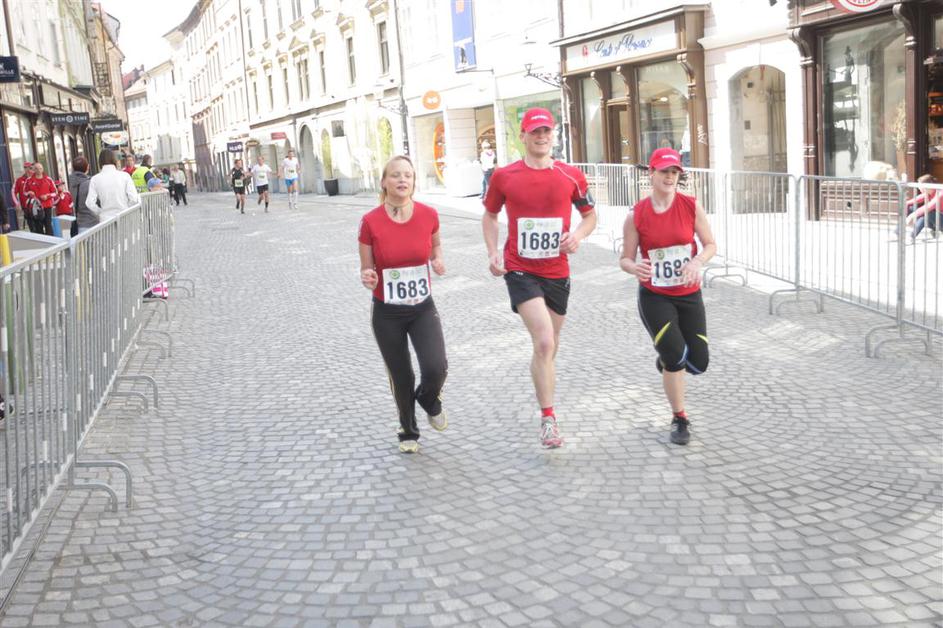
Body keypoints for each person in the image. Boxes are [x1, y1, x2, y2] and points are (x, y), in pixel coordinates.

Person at [481, 108, 597, 449]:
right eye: (535, 132)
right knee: (545, 341)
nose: (542, 137)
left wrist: (577, 236)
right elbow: (490, 215)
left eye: (546, 131)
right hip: (520, 268)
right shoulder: (504, 176)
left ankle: (542, 376)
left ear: (553, 134)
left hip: (557, 270)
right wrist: (492, 251)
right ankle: (548, 418)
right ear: (523, 137)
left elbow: (590, 216)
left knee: (549, 346)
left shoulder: (571, 175)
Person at [619, 147, 717, 446]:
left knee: (698, 363)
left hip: (689, 293)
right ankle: (680, 417)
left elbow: (710, 244)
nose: (670, 177)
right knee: (676, 358)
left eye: (675, 172)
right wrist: (635, 267)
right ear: (652, 173)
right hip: (655, 296)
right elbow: (625, 259)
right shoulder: (637, 214)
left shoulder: (691, 206)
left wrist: (697, 262)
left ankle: (665, 359)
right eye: (664, 171)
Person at [359, 155, 448, 454]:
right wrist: (368, 276)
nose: (402, 180)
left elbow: (435, 245)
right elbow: (366, 268)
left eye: (408, 175)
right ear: (384, 182)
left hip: (422, 307)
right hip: (387, 311)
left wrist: (437, 260)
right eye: (396, 175)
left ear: (413, 181)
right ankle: (408, 429)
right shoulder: (370, 221)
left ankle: (428, 397)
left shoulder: (429, 214)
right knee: (401, 375)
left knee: (436, 366)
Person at [86, 149, 140, 219]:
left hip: (106, 220)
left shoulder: (95, 179)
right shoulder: (125, 176)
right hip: (124, 218)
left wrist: (101, 212)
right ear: (114, 160)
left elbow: (89, 203)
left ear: (100, 161)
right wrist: (126, 209)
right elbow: (134, 199)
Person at [905, 174, 941, 242]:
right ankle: (897, 232)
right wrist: (906, 215)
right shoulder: (928, 193)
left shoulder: (940, 193)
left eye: (920, 186)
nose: (918, 188)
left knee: (927, 214)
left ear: (928, 185)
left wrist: (912, 216)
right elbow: (909, 202)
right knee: (912, 208)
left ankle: (911, 236)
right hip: (937, 219)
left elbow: (929, 206)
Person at [24, 162, 56, 235]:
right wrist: (29, 193)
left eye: (40, 168)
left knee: (48, 225)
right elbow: (24, 192)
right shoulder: (29, 180)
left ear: (43, 169)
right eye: (36, 168)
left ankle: (51, 240)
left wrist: (47, 196)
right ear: (34, 170)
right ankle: (42, 240)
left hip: (47, 205)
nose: (39, 170)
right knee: (38, 226)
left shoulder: (48, 179)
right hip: (35, 207)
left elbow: (55, 192)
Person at [68, 155, 96, 233]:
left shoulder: (70, 183)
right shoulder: (89, 183)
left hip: (80, 224)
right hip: (93, 222)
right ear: (87, 167)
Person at [12, 162, 32, 230]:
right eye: (25, 167)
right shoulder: (19, 180)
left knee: (40, 225)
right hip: (26, 207)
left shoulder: (36, 177)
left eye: (29, 168)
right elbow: (13, 192)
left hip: (39, 206)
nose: (28, 169)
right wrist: (16, 203)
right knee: (31, 225)